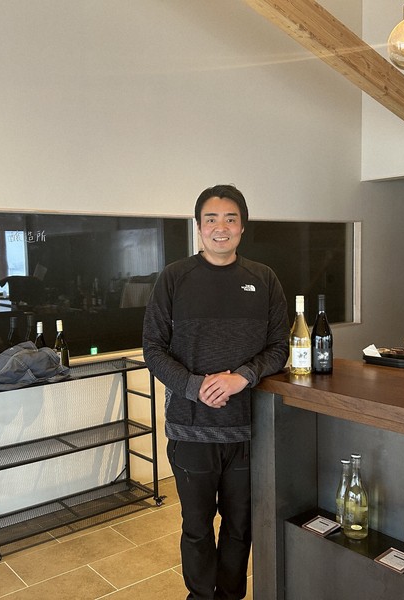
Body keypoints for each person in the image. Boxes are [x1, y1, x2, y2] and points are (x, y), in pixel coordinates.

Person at [143, 184, 289, 599]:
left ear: (242, 226)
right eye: (211, 219)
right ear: (198, 226)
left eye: (229, 219)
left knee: (240, 528)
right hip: (191, 431)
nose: (220, 227)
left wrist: (242, 377)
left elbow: (279, 347)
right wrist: (195, 386)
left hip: (247, 432)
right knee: (196, 528)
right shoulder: (174, 278)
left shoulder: (263, 279)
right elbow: (153, 348)